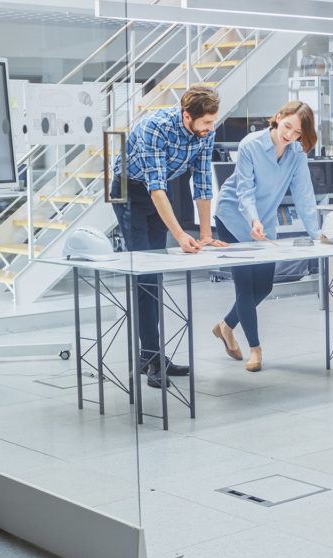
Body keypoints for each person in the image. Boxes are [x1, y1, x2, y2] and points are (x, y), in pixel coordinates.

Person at [111, 86, 227, 389]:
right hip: (130, 191)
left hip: (158, 192)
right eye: (206, 123)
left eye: (213, 122)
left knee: (155, 275)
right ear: (187, 116)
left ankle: (150, 354)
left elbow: (202, 181)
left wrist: (205, 234)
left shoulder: (205, 130)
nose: (210, 128)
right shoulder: (155, 127)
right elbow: (156, 188)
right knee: (145, 275)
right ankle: (152, 358)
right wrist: (179, 235)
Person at [211, 101, 321, 372]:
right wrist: (253, 219)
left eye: (297, 133)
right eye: (288, 127)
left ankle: (225, 326)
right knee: (246, 287)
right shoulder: (251, 145)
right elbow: (244, 191)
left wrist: (317, 234)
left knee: (265, 286)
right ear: (278, 117)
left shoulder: (296, 154)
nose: (290, 136)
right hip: (234, 217)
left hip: (265, 222)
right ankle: (255, 350)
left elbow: (304, 195)